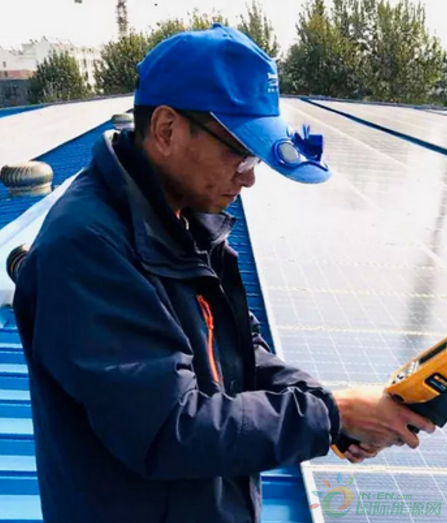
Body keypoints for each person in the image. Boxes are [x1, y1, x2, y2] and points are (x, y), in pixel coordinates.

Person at [13, 24, 434, 523]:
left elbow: (239, 352)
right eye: (239, 153)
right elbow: (168, 428)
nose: (250, 177)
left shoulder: (185, 219)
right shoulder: (87, 248)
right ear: (166, 130)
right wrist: (332, 414)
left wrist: (327, 409)